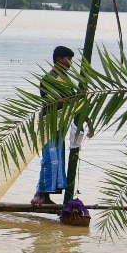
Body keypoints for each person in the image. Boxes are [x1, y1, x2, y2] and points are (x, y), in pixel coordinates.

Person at [30, 45, 88, 206]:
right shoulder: (49, 78)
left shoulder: (67, 79)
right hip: (49, 122)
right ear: (58, 60)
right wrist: (73, 100)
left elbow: (74, 101)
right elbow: (51, 103)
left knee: (58, 160)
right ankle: (38, 193)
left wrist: (85, 116)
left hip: (61, 124)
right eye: (68, 60)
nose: (70, 63)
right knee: (49, 159)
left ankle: (46, 196)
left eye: (71, 60)